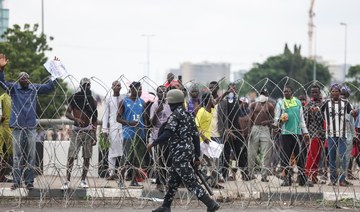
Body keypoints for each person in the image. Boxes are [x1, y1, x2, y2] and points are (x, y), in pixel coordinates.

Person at [147, 89, 220, 212]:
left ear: (172, 104)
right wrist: (197, 156)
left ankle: (210, 203)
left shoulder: (175, 116)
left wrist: (153, 143)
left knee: (190, 181)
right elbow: (195, 137)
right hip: (187, 153)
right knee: (173, 182)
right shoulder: (189, 115)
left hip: (179, 154)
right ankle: (166, 206)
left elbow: (168, 133)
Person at [0, 54, 58, 190]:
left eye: (26, 77)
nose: (24, 78)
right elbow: (2, 82)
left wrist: (55, 70)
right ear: (18, 80)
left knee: (31, 156)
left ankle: (29, 182)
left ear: (29, 79)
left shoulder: (34, 88)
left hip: (31, 127)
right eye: (21, 77)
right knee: (17, 157)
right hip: (17, 128)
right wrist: (1, 69)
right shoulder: (13, 89)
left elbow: (50, 87)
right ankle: (16, 181)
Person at [62, 77, 98, 190]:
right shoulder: (75, 97)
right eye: (85, 85)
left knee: (87, 157)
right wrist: (75, 119)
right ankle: (67, 181)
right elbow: (67, 113)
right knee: (71, 156)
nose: (87, 86)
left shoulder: (92, 100)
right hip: (76, 131)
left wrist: (94, 135)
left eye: (88, 85)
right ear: (81, 86)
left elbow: (94, 119)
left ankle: (83, 180)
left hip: (88, 132)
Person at [275, 86, 312, 187]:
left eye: (288, 91)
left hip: (297, 133)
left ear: (292, 92)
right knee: (285, 157)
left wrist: (306, 132)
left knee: (300, 156)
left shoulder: (298, 103)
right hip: (285, 133)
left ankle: (302, 179)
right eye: (284, 91)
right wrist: (281, 120)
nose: (286, 93)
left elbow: (301, 119)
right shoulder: (280, 103)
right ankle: (287, 179)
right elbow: (276, 119)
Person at [321, 84, 354, 186]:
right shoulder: (326, 103)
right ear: (330, 92)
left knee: (342, 156)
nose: (335, 93)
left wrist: (353, 113)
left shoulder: (345, 103)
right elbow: (320, 112)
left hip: (342, 134)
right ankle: (333, 179)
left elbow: (351, 111)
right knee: (332, 156)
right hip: (331, 133)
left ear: (340, 92)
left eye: (337, 91)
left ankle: (342, 179)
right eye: (333, 91)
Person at [116, 81, 147, 188]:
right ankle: (120, 180)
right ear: (132, 89)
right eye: (138, 89)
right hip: (128, 133)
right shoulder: (124, 102)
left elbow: (145, 118)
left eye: (141, 89)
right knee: (126, 157)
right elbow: (118, 118)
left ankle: (134, 180)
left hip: (140, 133)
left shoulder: (142, 102)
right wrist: (129, 123)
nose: (140, 91)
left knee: (136, 159)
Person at [218, 83, 248, 181]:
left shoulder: (238, 102)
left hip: (236, 131)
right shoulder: (224, 102)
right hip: (226, 131)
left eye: (234, 89)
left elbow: (242, 116)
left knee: (239, 154)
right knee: (226, 154)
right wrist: (226, 130)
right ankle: (225, 174)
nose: (232, 90)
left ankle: (244, 174)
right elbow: (222, 116)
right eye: (230, 89)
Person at [247, 89, 274, 182]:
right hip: (255, 128)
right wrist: (249, 131)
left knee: (266, 153)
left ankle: (264, 175)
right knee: (251, 152)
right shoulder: (254, 105)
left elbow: (272, 119)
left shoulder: (270, 106)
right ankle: (250, 174)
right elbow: (250, 117)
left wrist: (267, 121)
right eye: (262, 93)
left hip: (265, 129)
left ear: (267, 95)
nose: (263, 95)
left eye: (265, 94)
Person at [149, 85, 172, 192]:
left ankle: (168, 182)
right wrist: (157, 111)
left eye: (164, 91)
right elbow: (152, 123)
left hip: (168, 135)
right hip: (157, 135)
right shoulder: (154, 105)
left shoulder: (170, 105)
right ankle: (159, 182)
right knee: (159, 160)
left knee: (168, 160)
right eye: (160, 92)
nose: (162, 93)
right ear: (157, 93)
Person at [101, 80, 123, 180]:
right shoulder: (108, 99)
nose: (118, 87)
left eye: (119, 86)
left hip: (123, 126)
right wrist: (104, 130)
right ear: (112, 87)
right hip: (113, 127)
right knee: (112, 150)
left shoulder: (124, 99)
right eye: (117, 85)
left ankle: (124, 173)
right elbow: (105, 115)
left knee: (124, 150)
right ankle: (111, 173)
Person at [304, 84, 326, 184]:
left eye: (316, 92)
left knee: (318, 155)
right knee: (312, 154)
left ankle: (314, 176)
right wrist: (305, 133)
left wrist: (318, 112)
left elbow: (323, 120)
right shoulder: (308, 105)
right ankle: (307, 175)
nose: (314, 94)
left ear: (319, 92)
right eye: (312, 92)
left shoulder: (323, 105)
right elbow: (305, 120)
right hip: (312, 133)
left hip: (321, 133)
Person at [0, 92, 12, 182]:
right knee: (3, 152)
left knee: (7, 153)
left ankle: (3, 176)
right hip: (3, 128)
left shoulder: (14, 97)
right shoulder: (3, 98)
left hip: (10, 129)